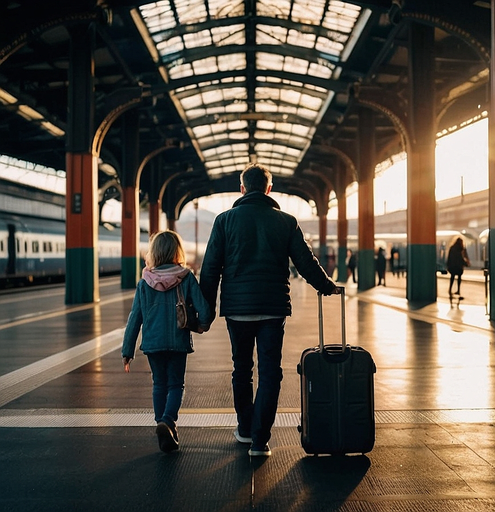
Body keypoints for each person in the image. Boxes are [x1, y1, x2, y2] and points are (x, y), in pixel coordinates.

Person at [199, 163, 339, 457]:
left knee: (241, 370)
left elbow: (210, 269)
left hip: (236, 309)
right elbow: (305, 262)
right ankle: (261, 441)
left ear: (242, 188)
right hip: (272, 310)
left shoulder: (224, 221)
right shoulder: (286, 221)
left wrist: (206, 311)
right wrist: (326, 285)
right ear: (268, 189)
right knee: (270, 373)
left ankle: (245, 429)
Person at [122, 230, 210, 453]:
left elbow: (135, 317)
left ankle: (161, 422)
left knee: (159, 384)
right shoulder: (186, 277)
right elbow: (204, 310)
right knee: (176, 384)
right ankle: (168, 421)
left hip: (152, 343)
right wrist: (202, 324)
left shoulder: (144, 282)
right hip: (178, 340)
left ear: (154, 252)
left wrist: (127, 349)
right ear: (177, 251)